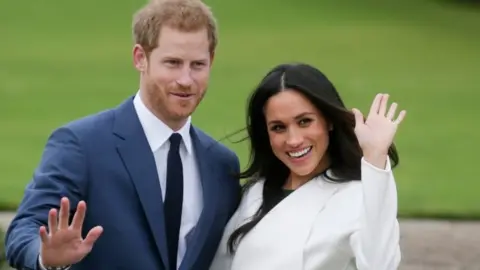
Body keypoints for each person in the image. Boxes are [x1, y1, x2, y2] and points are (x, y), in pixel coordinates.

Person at [4, 0, 241, 269]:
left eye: (197, 64)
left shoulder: (222, 165)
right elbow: (25, 229)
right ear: (140, 58)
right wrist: (44, 257)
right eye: (173, 63)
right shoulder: (82, 145)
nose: (186, 79)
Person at [209, 63, 406, 270]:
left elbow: (380, 264)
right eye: (278, 127)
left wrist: (375, 157)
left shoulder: (358, 196)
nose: (294, 140)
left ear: (328, 121)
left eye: (304, 122)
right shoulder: (256, 192)